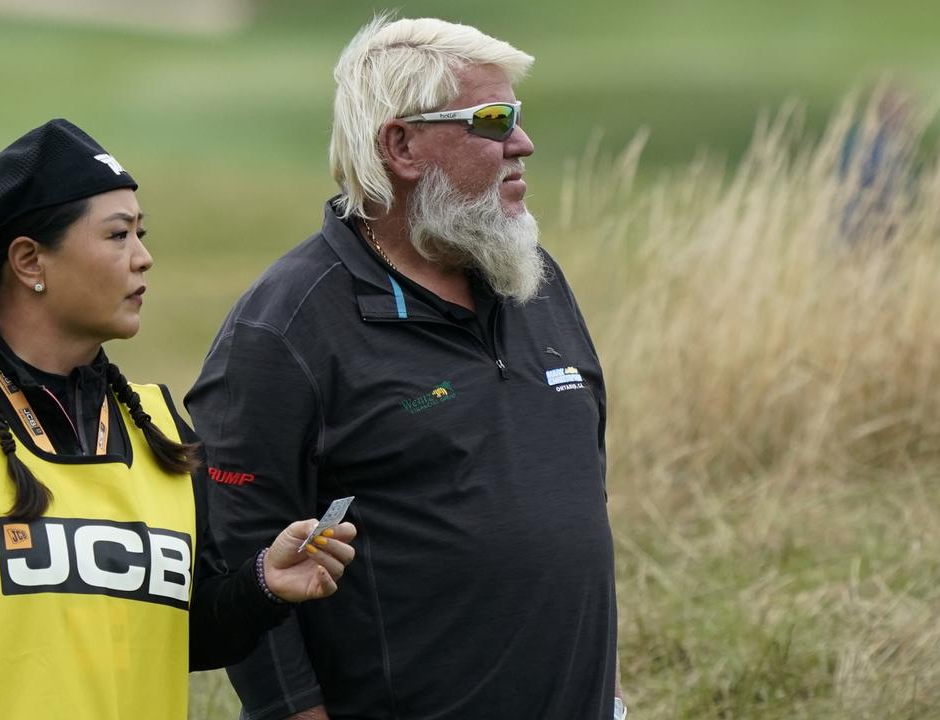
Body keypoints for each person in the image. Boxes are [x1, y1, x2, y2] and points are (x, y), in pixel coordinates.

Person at [0, 119, 357, 720]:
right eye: (118, 236)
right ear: (29, 260)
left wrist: (263, 583)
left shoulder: (159, 428)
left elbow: (181, 635)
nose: (144, 258)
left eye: (140, 233)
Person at [187, 16, 622, 720]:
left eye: (517, 117)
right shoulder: (286, 327)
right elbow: (241, 566)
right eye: (492, 119)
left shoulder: (534, 281)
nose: (523, 142)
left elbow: (576, 522)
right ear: (402, 146)